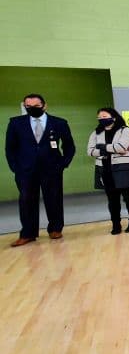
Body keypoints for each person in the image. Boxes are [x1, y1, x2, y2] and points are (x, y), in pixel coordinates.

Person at [6, 94, 76, 246]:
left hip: (52, 169)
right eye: (28, 106)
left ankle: (55, 229)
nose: (32, 109)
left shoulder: (59, 123)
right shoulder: (15, 123)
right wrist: (15, 168)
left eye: (36, 106)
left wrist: (63, 163)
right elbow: (10, 148)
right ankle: (28, 233)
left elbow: (69, 146)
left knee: (54, 199)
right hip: (25, 171)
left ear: (44, 106)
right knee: (26, 201)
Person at [87, 107, 129, 235]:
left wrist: (102, 147)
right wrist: (111, 148)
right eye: (99, 118)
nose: (102, 120)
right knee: (112, 199)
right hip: (105, 169)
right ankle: (116, 224)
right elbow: (90, 151)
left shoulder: (125, 131)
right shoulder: (96, 133)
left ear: (114, 117)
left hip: (123, 168)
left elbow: (121, 147)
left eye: (105, 117)